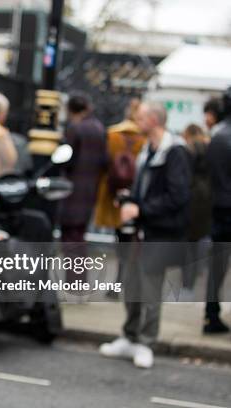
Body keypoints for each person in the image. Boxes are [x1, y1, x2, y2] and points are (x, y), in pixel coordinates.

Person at [100, 102, 191, 369]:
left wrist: (140, 209)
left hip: (160, 233)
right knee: (132, 284)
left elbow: (178, 196)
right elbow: (149, 190)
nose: (136, 120)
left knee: (150, 289)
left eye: (140, 117)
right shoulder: (148, 150)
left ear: (154, 120)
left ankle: (146, 342)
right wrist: (130, 200)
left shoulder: (174, 153)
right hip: (142, 232)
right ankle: (129, 336)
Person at [93, 98, 145, 295]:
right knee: (133, 239)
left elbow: (104, 163)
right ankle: (126, 280)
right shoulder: (144, 139)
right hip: (136, 193)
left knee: (120, 239)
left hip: (113, 192)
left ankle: (118, 281)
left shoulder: (112, 135)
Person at [59, 93, 107, 281]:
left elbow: (66, 160)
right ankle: (79, 279)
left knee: (70, 237)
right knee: (79, 235)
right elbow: (104, 161)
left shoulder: (75, 129)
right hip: (90, 189)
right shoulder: (99, 128)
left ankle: (73, 279)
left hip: (72, 190)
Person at [203, 87, 231, 334]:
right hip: (225, 210)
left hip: (219, 210)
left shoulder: (218, 136)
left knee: (217, 267)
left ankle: (211, 314)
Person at [181, 124, 211, 297]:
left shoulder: (191, 150)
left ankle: (187, 286)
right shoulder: (209, 147)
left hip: (193, 202)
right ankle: (194, 277)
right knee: (198, 243)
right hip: (205, 201)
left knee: (189, 247)